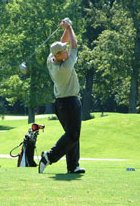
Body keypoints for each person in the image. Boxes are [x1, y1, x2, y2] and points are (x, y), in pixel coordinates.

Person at [39, 18, 85, 174]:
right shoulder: (65, 66)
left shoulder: (51, 60)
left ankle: (73, 166)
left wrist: (65, 28)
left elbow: (62, 43)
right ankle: (49, 157)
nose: (67, 52)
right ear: (59, 56)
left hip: (60, 104)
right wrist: (70, 27)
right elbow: (74, 45)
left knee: (71, 134)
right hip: (70, 102)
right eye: (64, 51)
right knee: (73, 134)